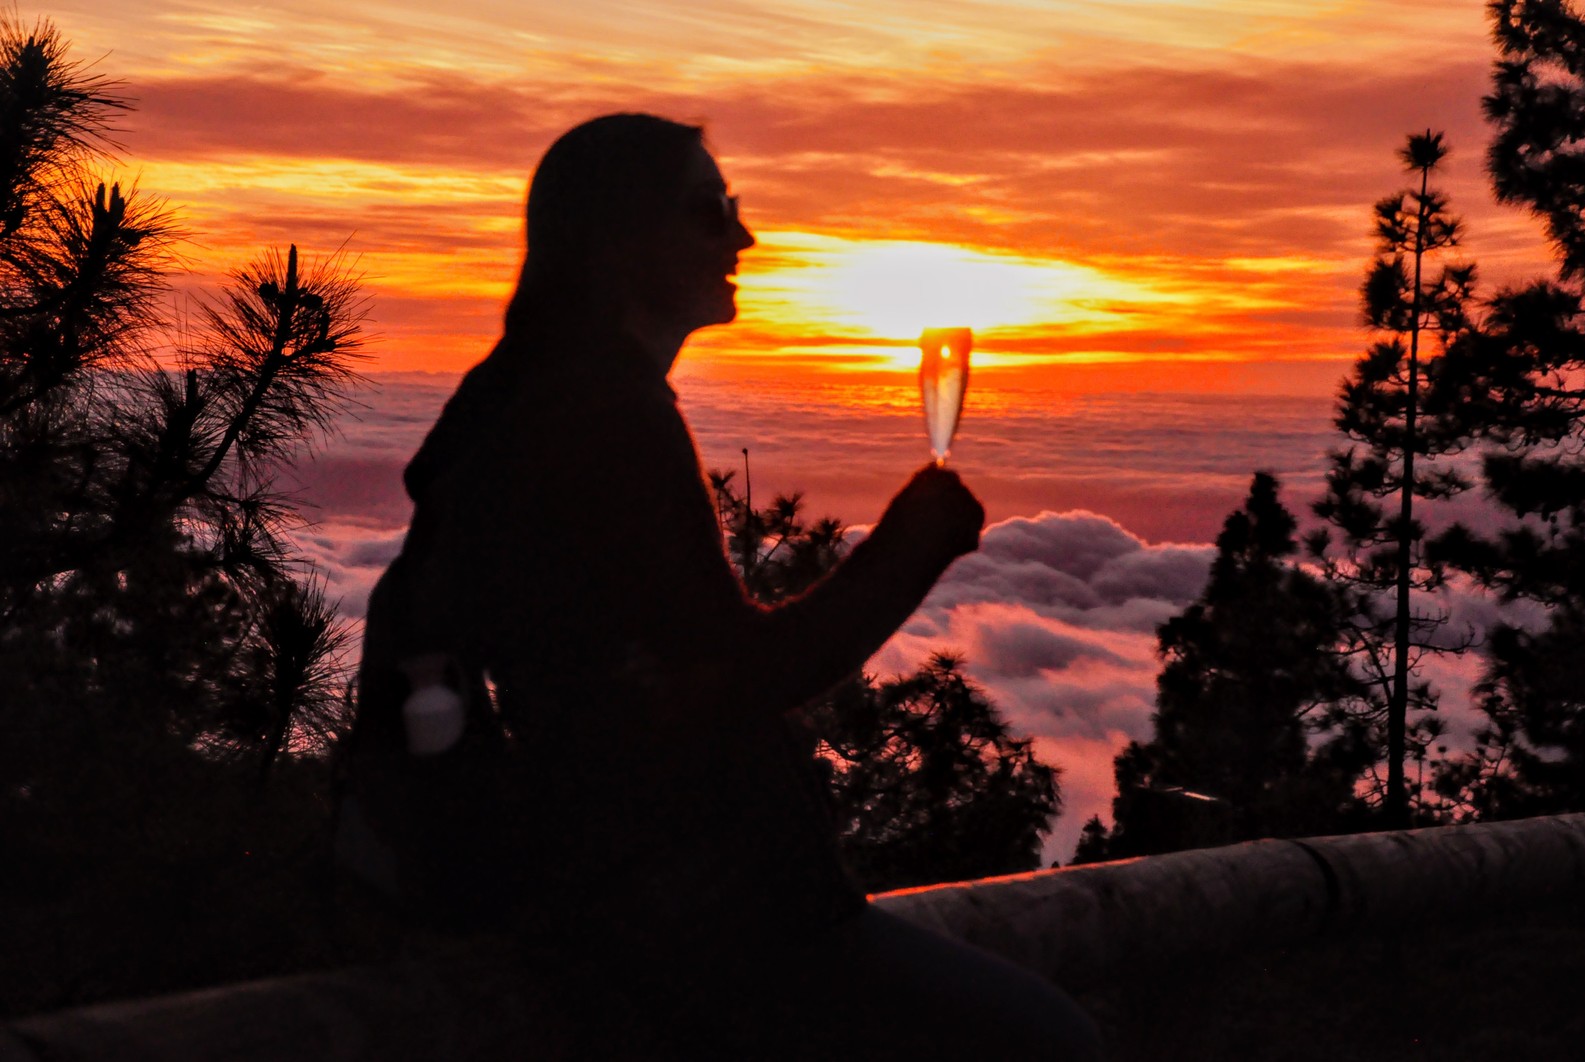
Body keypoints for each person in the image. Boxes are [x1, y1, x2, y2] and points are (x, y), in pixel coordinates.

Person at [341, 113, 1102, 1060]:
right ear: (620, 242)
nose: (743, 237)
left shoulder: (523, 401)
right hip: (701, 924)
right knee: (1046, 1044)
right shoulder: (603, 414)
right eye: (710, 211)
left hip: (633, 911)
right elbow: (725, 674)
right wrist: (914, 543)